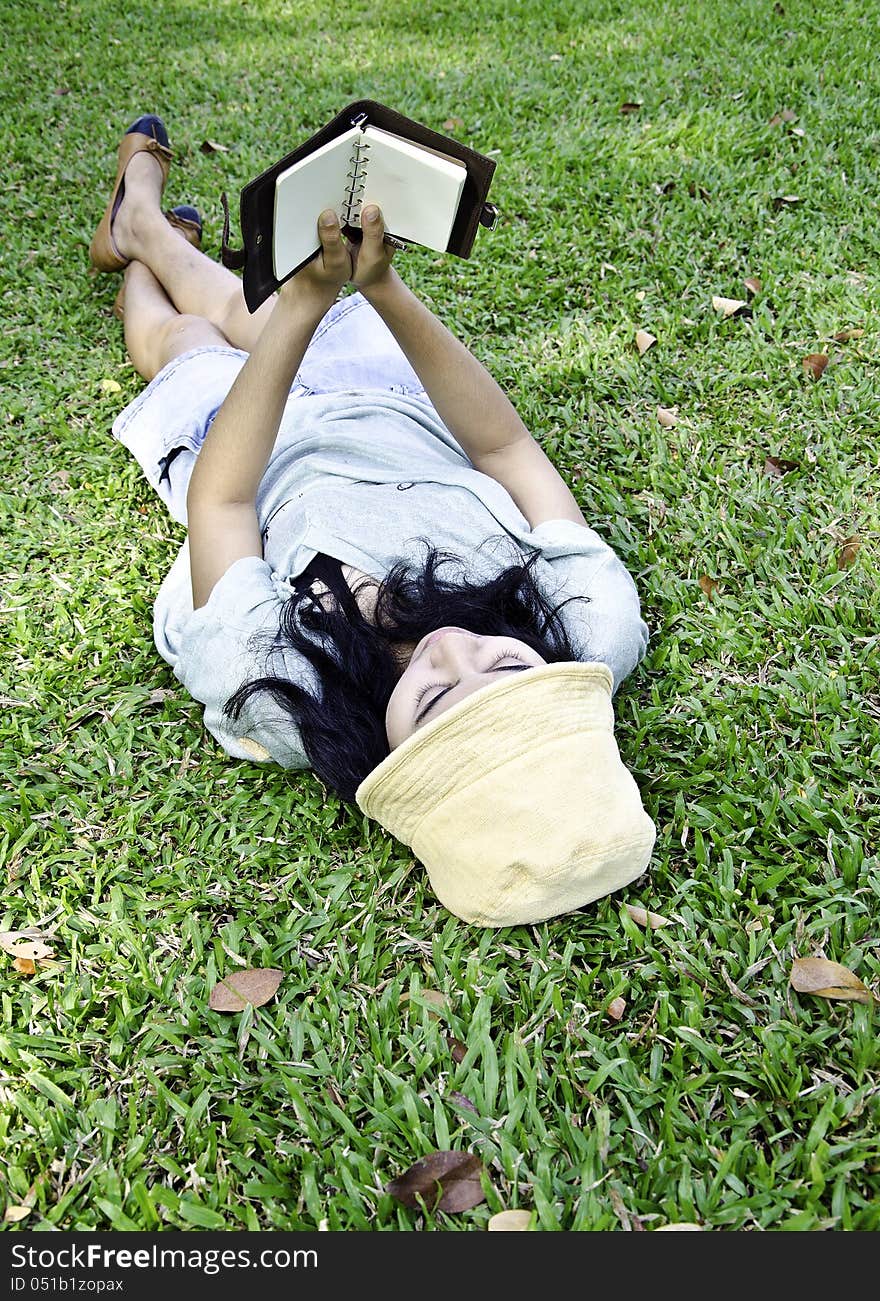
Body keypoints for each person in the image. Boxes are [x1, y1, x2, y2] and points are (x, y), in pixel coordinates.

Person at [90, 114, 658, 927]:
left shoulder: (287, 693)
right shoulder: (589, 623)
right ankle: (145, 228)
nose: (452, 652)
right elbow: (504, 447)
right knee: (234, 299)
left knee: (185, 336)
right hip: (389, 407)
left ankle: (139, 233)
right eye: (504, 670)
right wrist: (381, 288)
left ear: (392, 756)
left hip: (250, 451)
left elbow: (223, 504)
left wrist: (300, 313)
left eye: (432, 700)